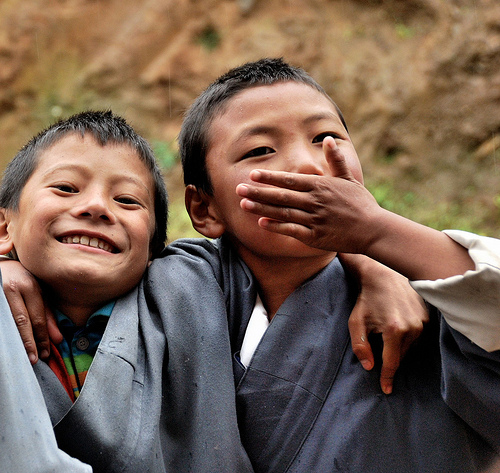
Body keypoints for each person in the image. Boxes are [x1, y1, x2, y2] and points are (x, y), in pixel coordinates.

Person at [176, 58, 500, 472]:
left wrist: (376, 236)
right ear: (204, 208)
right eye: (260, 150)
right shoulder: (183, 288)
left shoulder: (434, 297)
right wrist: (368, 257)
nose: (308, 164)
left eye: (326, 137)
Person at [0, 110, 253, 472]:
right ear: (4, 227)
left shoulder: (194, 287)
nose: (97, 208)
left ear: (153, 250)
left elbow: (280, 251)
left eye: (128, 201)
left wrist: (364, 259)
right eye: (66, 188)